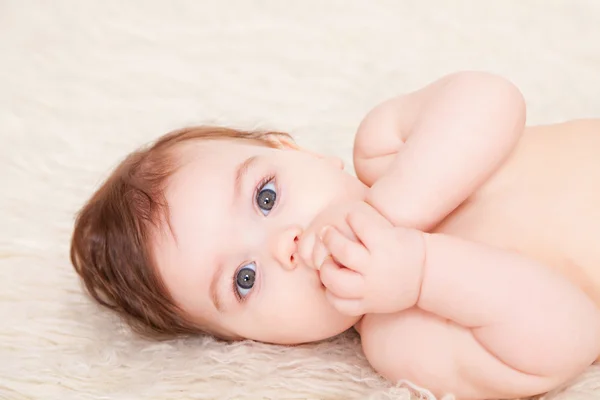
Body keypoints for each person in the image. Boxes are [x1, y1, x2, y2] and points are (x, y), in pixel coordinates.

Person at [70, 71, 600, 399]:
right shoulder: (403, 339)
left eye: (266, 197)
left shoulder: (385, 149)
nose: (286, 244)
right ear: (253, 344)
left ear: (295, 151)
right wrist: (421, 271)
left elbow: (493, 96)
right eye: (245, 279)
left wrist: (392, 207)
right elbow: (572, 339)